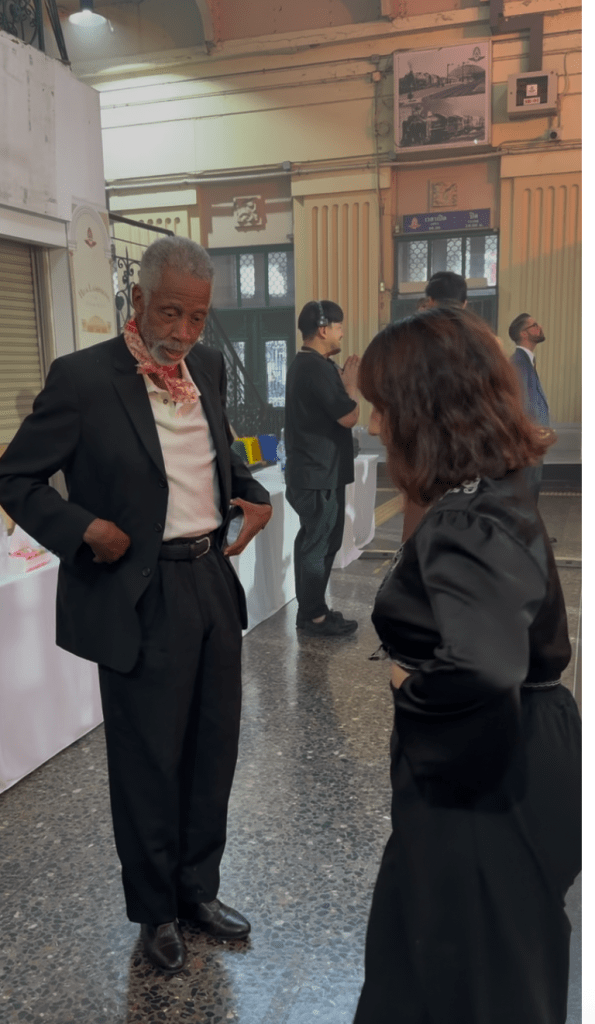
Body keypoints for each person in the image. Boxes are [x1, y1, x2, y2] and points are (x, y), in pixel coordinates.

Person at [0, 236, 273, 974]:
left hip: (210, 579)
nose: (183, 333)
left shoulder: (207, 368)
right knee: (149, 759)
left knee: (213, 749)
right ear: (139, 300)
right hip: (138, 590)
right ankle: (153, 910)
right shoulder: (83, 379)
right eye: (172, 313)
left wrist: (252, 493)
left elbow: (219, 455)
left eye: (198, 317)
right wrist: (81, 529)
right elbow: (16, 478)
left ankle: (196, 892)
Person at [353, 306, 581, 1024]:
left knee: (465, 968)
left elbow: (481, 673)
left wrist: (410, 686)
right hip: (525, 746)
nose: (375, 426)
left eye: (384, 408)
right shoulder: (494, 486)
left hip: (484, 775)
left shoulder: (464, 520)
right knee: (500, 956)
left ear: (422, 409)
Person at [284, 299, 360, 637]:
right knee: (318, 544)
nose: (343, 333)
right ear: (323, 328)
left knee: (318, 543)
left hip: (319, 471)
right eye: (339, 326)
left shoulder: (313, 364)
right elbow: (348, 415)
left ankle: (312, 610)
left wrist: (343, 384)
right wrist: (353, 385)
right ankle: (314, 616)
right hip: (318, 474)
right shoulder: (315, 367)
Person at [401, 271, 468, 542]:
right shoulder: (486, 342)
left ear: (429, 300)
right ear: (465, 303)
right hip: (468, 445)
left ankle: (409, 570)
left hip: (422, 441)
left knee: (415, 519)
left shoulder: (410, 338)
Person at [509, 312, 551, 501]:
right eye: (534, 325)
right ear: (524, 334)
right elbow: (521, 405)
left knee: (530, 492)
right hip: (528, 442)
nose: (539, 327)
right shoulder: (518, 363)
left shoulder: (527, 362)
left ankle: (527, 530)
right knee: (526, 494)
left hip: (533, 440)